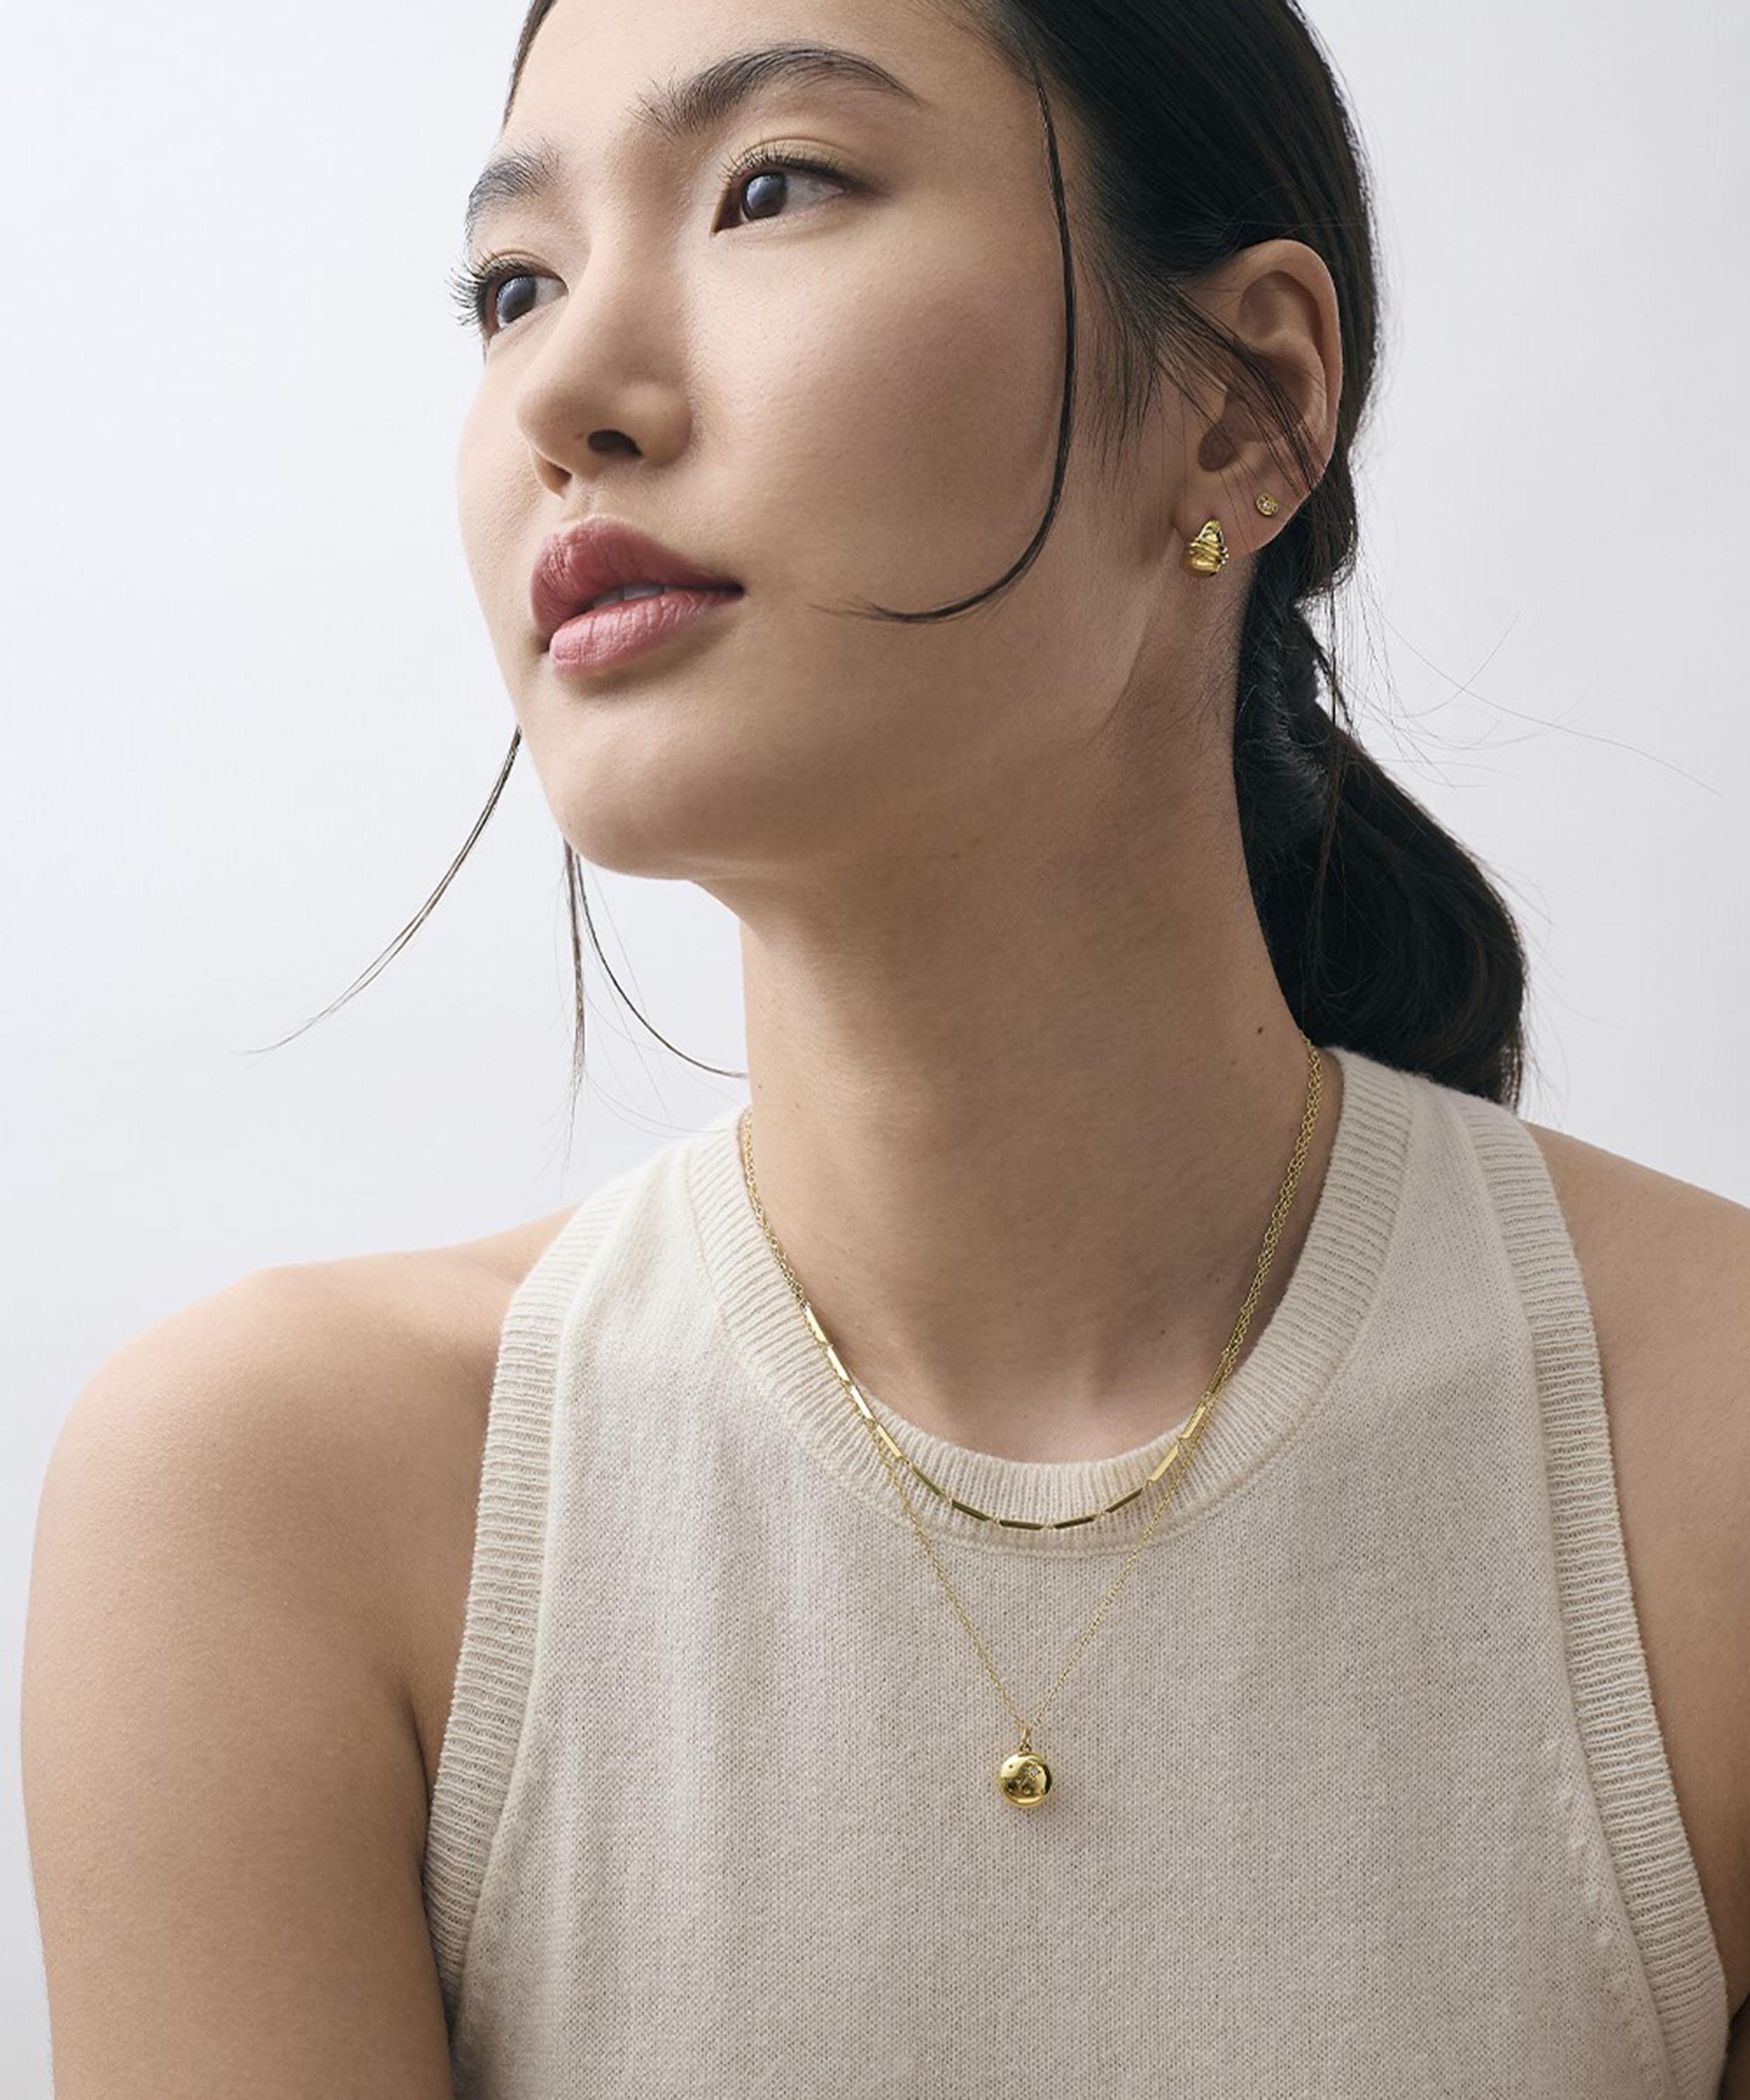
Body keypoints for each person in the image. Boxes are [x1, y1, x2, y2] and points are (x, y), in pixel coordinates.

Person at [23, 0, 1750, 2094]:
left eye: (773, 188)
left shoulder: (1702, 1457)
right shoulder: (289, 1504)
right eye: (511, 286)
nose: (559, 388)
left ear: (1244, 408)